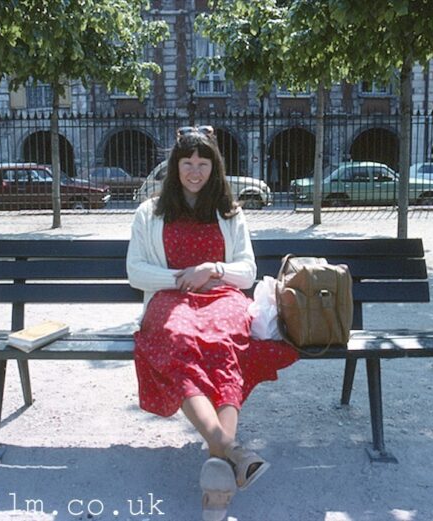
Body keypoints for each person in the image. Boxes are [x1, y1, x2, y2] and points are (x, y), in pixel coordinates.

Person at [126, 125, 299, 521]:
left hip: (221, 297)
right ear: (175, 167)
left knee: (224, 342)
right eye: (187, 163)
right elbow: (136, 272)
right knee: (179, 339)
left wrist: (211, 269)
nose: (194, 171)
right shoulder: (149, 212)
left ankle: (219, 473)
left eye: (203, 164)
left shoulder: (229, 212)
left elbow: (248, 272)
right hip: (171, 298)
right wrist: (181, 277)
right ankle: (233, 450)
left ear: (214, 167)